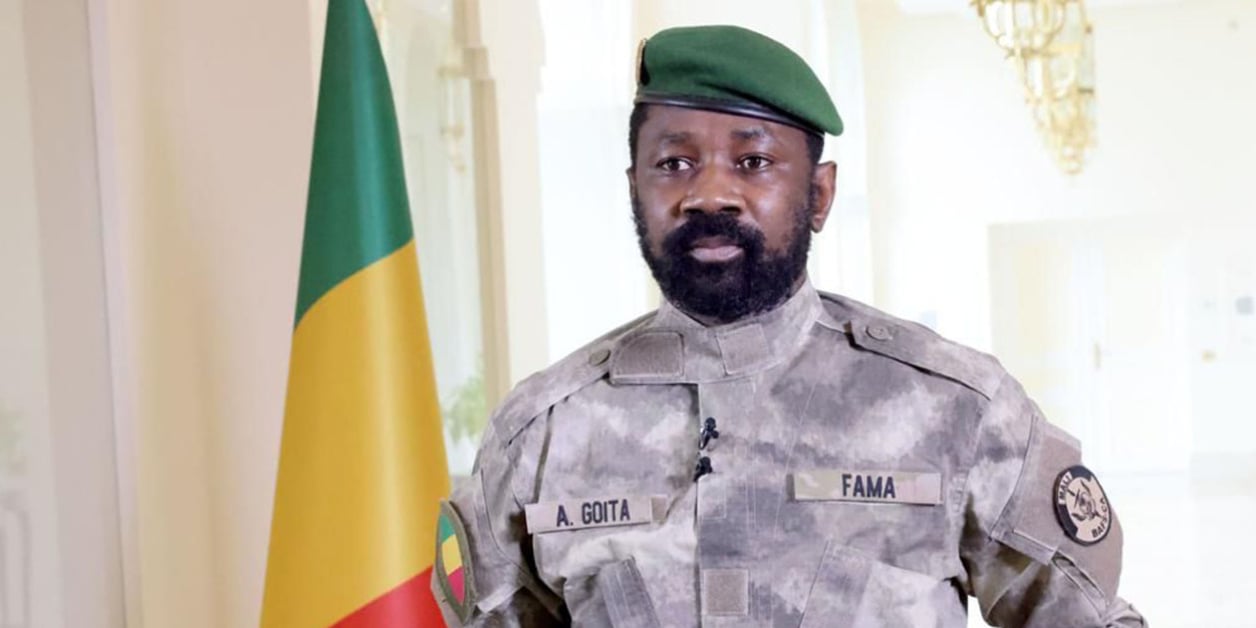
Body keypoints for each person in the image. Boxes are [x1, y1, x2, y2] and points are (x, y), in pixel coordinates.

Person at [431, 24, 1145, 627]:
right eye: (674, 163)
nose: (709, 193)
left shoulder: (959, 411)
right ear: (634, 191)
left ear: (820, 194)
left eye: (754, 162)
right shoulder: (542, 435)